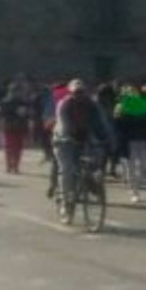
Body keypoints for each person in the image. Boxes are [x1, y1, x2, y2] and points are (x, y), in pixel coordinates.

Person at [52, 80, 110, 224]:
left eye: (81, 92)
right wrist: (68, 136)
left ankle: (92, 185)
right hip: (64, 140)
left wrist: (105, 138)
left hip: (85, 137)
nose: (79, 96)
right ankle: (65, 202)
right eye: (76, 93)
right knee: (67, 170)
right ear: (70, 93)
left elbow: (101, 123)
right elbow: (64, 124)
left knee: (95, 160)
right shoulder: (64, 104)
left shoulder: (92, 105)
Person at [0, 81, 33, 173]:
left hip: (8, 127)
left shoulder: (4, 102)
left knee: (9, 148)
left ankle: (10, 166)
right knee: (17, 148)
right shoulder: (24, 103)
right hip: (18, 127)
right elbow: (30, 116)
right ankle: (15, 167)